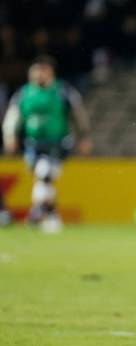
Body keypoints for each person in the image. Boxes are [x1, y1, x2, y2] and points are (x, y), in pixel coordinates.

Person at [2, 56, 91, 232]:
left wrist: (84, 136)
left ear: (50, 72)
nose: (38, 75)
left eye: (42, 71)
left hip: (59, 143)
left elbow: (78, 114)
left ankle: (38, 211)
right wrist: (9, 136)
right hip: (33, 143)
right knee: (44, 179)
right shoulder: (24, 93)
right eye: (35, 72)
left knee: (45, 173)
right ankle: (49, 213)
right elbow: (12, 117)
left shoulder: (63, 91)